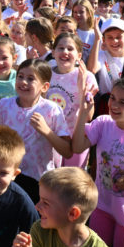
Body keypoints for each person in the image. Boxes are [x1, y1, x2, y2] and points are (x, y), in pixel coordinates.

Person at [73, 76, 124, 247]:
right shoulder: (103, 123)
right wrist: (83, 114)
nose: (114, 105)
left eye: (123, 102)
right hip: (101, 207)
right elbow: (77, 147)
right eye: (113, 98)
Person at [0, 59, 72, 203]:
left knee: (34, 221)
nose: (23, 82)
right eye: (20, 76)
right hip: (8, 176)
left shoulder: (51, 110)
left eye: (31, 79)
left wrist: (46, 131)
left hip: (39, 180)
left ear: (45, 86)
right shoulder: (4, 105)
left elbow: (67, 151)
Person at [12, 167, 107, 247]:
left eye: (45, 203)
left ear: (72, 214)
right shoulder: (40, 231)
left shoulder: (97, 246)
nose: (37, 207)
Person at [48, 33, 98, 166]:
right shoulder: (45, 73)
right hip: (50, 138)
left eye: (70, 49)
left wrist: (82, 89)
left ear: (79, 55)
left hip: (76, 138)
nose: (65, 52)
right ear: (53, 52)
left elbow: (89, 116)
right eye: (60, 48)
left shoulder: (87, 77)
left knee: (71, 181)